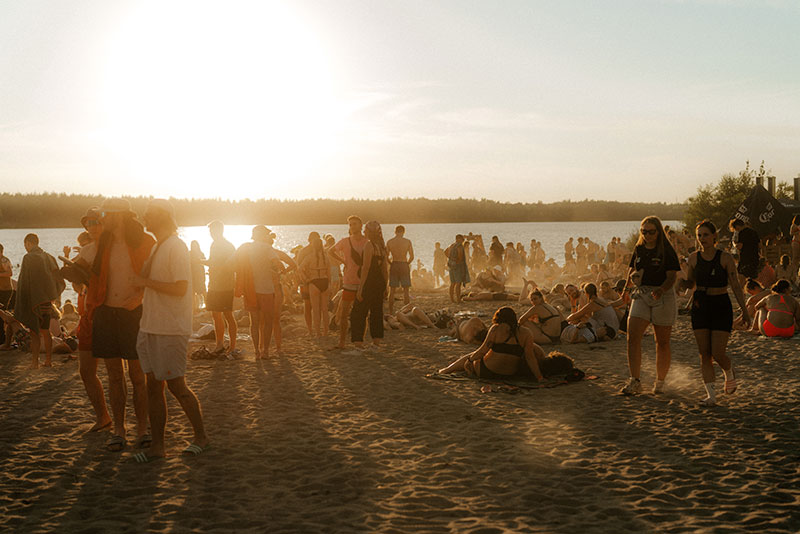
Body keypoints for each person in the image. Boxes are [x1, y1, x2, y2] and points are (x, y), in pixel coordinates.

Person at [132, 199, 209, 462]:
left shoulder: (176, 246)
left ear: (164, 217)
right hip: (151, 325)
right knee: (154, 387)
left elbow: (180, 288)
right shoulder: (157, 246)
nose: (145, 218)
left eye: (149, 215)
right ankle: (158, 447)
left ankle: (201, 437)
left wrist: (145, 281)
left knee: (177, 386)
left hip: (171, 328)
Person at [87, 198, 155, 451]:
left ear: (120, 215)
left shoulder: (145, 241)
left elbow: (157, 276)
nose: (102, 217)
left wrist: (139, 297)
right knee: (114, 376)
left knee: (138, 376)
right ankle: (119, 429)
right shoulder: (102, 242)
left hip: (134, 314)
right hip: (106, 312)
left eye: (106, 213)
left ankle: (143, 428)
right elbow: (92, 275)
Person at [682, 220, 750, 406]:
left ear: (714, 237)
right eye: (699, 236)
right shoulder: (694, 258)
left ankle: (728, 371)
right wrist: (679, 282)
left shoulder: (725, 258)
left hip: (721, 305)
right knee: (704, 353)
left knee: (718, 353)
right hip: (700, 305)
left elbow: (736, 285)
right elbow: (690, 283)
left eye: (705, 235)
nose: (702, 239)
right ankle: (711, 396)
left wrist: (745, 311)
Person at [620, 216, 680, 396]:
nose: (647, 235)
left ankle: (660, 381)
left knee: (661, 342)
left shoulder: (667, 251)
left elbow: (672, 277)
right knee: (632, 336)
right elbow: (632, 270)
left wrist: (661, 290)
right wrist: (625, 289)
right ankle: (635, 380)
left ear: (658, 232)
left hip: (663, 295)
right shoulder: (639, 248)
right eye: (643, 231)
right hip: (642, 293)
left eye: (651, 231)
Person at [70, 207, 112, 431]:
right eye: (89, 223)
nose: (92, 226)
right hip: (88, 315)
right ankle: (103, 417)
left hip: (109, 315)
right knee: (86, 371)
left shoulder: (115, 250)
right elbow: (76, 284)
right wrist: (73, 270)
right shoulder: (87, 250)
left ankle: (122, 425)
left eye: (96, 222)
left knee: (118, 373)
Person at [438, 306, 544, 381]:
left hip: (487, 372)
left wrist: (470, 360)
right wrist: (539, 377)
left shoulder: (495, 329)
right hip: (509, 374)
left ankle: (447, 370)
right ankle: (448, 369)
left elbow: (482, 351)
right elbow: (530, 358)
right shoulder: (526, 333)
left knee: (472, 355)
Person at [15, 233, 61, 368]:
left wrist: (21, 300)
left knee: (34, 332)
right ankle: (48, 361)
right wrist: (53, 294)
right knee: (46, 331)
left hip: (33, 300)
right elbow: (56, 276)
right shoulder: (48, 256)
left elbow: (24, 280)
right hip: (46, 300)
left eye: (25, 245)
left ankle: (35, 362)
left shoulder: (28, 258)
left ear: (28, 243)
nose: (25, 248)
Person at [234, 226, 279, 359]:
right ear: (263, 235)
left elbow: (235, 264)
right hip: (266, 289)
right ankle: (265, 351)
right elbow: (277, 263)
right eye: (266, 234)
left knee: (254, 322)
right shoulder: (267, 248)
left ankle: (256, 352)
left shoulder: (246, 248)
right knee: (268, 321)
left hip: (250, 290)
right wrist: (276, 271)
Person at [350, 221, 389, 350]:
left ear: (367, 231)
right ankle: (376, 343)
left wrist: (360, 288)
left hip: (369, 282)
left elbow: (366, 268)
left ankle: (358, 344)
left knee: (358, 312)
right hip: (379, 282)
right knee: (376, 312)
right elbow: (384, 269)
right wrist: (386, 286)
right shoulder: (382, 246)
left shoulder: (369, 245)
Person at [203, 221, 238, 357]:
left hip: (222, 285)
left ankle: (226, 345)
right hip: (218, 284)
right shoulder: (226, 245)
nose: (211, 234)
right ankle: (222, 344)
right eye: (210, 232)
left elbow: (216, 263)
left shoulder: (221, 245)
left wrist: (199, 261)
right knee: (218, 315)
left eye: (212, 231)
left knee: (225, 315)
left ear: (219, 230)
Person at [332, 216, 368, 349]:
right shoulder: (345, 241)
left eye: (355, 224)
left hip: (363, 282)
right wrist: (343, 261)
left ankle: (360, 342)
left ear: (361, 225)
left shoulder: (367, 242)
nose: (352, 227)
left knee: (362, 314)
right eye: (350, 224)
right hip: (348, 282)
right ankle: (341, 342)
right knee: (344, 312)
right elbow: (330, 251)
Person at [299, 231, 331, 337]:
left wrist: (305, 279)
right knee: (325, 309)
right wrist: (330, 284)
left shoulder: (308, 255)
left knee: (315, 310)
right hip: (325, 281)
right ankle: (326, 331)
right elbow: (329, 272)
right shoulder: (325, 256)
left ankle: (317, 332)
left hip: (313, 282)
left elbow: (300, 268)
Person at [386, 225, 414, 314]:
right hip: (403, 264)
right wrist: (407, 263)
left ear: (395, 231)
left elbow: (386, 256)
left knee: (392, 290)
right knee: (406, 289)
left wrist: (391, 263)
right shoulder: (407, 241)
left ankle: (391, 311)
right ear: (403, 232)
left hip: (394, 263)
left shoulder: (390, 242)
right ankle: (407, 311)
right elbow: (412, 256)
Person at [729, 218, 760, 285]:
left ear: (737, 226)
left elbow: (739, 246)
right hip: (755, 258)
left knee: (740, 280)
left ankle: (741, 293)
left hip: (745, 259)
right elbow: (760, 245)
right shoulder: (754, 232)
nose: (736, 230)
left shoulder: (742, 233)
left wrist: (734, 244)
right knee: (753, 281)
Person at [445, 235, 470, 303]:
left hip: (451, 265)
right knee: (458, 284)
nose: (463, 241)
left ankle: (452, 299)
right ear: (459, 239)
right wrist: (457, 261)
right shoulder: (459, 246)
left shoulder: (452, 245)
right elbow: (460, 256)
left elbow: (445, 252)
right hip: (457, 266)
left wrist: (450, 258)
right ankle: (458, 300)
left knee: (452, 283)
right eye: (462, 239)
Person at [0, 243, 15, 349]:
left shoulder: (4, 260)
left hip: (5, 290)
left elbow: (10, 273)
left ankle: (3, 339)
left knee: (2, 314)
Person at [189, 240, 207, 311]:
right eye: (192, 245)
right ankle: (193, 307)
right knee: (192, 292)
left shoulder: (200, 253)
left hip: (199, 275)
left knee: (203, 290)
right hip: (193, 275)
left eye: (195, 245)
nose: (194, 247)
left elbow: (204, 262)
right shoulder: (189, 253)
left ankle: (208, 305)